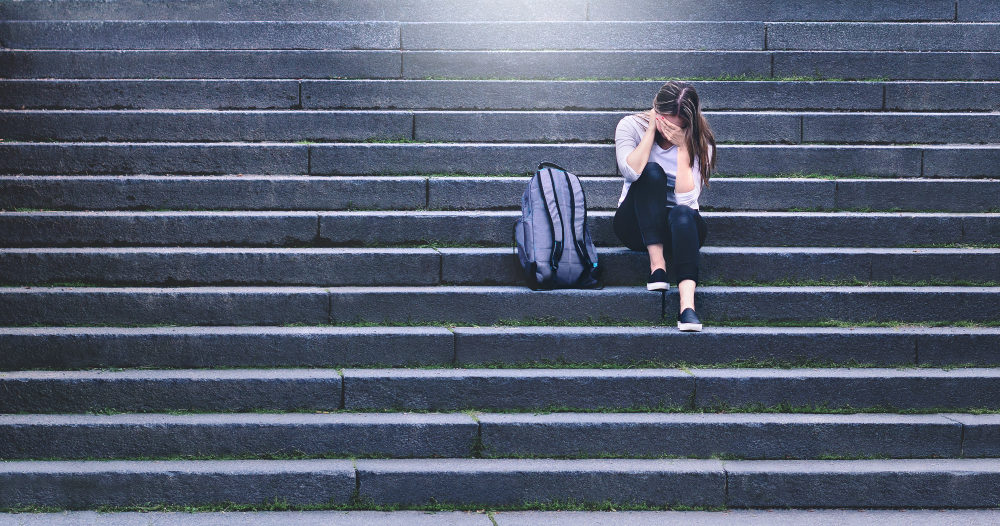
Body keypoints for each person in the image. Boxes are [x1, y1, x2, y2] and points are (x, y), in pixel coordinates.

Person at [612, 81, 717, 332]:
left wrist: (683, 148)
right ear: (655, 110)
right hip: (636, 224)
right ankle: (657, 267)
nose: (668, 130)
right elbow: (630, 170)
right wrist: (650, 131)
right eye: (664, 121)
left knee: (682, 213)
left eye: (677, 126)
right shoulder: (630, 126)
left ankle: (687, 307)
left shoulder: (701, 143)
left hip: (680, 228)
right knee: (650, 172)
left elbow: (687, 202)